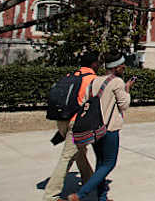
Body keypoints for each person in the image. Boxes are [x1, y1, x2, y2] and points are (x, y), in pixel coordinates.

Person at [64, 53, 134, 201]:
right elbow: (124, 105)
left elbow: (83, 102)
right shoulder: (117, 82)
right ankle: (80, 194)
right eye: (122, 65)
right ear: (116, 67)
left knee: (100, 163)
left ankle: (102, 197)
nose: (124, 67)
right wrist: (127, 90)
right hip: (110, 129)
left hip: (94, 128)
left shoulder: (94, 81)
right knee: (109, 163)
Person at [42, 53, 98, 201]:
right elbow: (92, 105)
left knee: (79, 152)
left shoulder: (71, 75)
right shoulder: (91, 79)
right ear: (93, 64)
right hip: (76, 123)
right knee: (67, 157)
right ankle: (51, 195)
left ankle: (90, 181)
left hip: (62, 120)